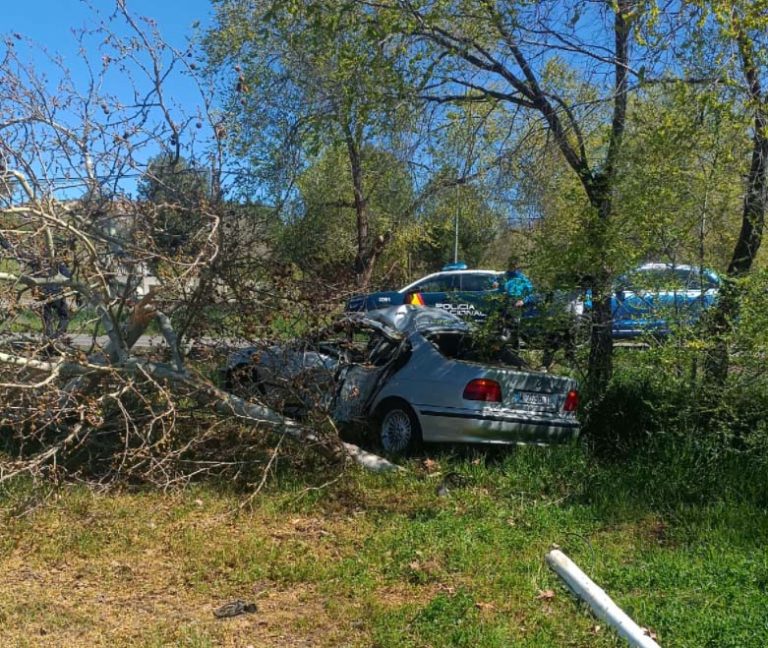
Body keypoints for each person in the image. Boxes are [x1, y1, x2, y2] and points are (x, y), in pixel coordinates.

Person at [41, 258, 72, 339]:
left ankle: (49, 336)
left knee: (47, 317)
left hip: (45, 294)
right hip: (57, 293)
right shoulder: (59, 263)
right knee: (64, 316)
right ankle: (58, 335)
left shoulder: (42, 264)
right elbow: (67, 276)